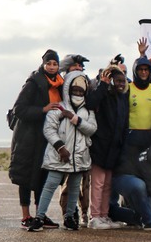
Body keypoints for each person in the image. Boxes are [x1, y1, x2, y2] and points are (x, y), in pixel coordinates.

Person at [27, 72, 98, 231]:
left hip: (79, 156)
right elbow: (48, 129)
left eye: (81, 91)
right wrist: (60, 147)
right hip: (59, 156)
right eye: (75, 90)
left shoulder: (88, 111)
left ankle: (69, 218)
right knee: (50, 185)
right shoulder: (58, 107)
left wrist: (73, 118)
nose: (78, 93)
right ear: (68, 89)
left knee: (74, 187)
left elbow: (92, 129)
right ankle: (39, 218)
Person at [9, 49, 65, 229]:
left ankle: (40, 214)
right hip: (28, 137)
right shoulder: (33, 82)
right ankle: (26, 216)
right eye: (48, 63)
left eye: (55, 64)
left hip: (46, 137)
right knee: (25, 177)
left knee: (42, 176)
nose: (51, 67)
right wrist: (43, 109)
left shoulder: (60, 83)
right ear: (43, 64)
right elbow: (19, 108)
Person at [86, 65, 130, 230]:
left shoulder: (122, 97)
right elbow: (91, 103)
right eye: (117, 81)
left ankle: (104, 215)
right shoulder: (104, 93)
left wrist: (122, 143)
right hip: (101, 145)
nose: (120, 84)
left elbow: (125, 123)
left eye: (122, 81)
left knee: (107, 184)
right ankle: (95, 216)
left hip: (114, 146)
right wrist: (103, 84)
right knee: (97, 183)